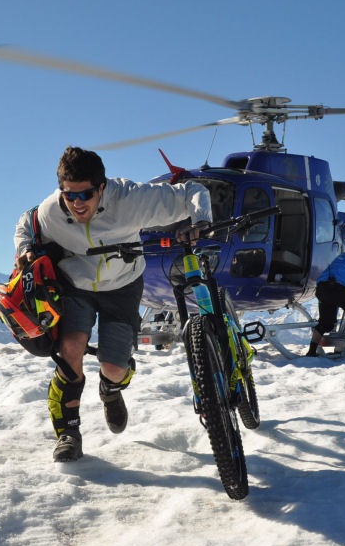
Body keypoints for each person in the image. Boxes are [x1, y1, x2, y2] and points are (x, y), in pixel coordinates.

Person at [14, 146, 212, 462]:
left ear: (102, 187)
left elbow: (193, 191)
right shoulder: (53, 210)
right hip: (75, 285)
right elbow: (28, 221)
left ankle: (111, 388)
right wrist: (25, 249)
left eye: (86, 194)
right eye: (69, 195)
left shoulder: (132, 199)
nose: (77, 204)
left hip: (123, 286)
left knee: (114, 367)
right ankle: (68, 434)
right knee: (71, 349)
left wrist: (201, 220)